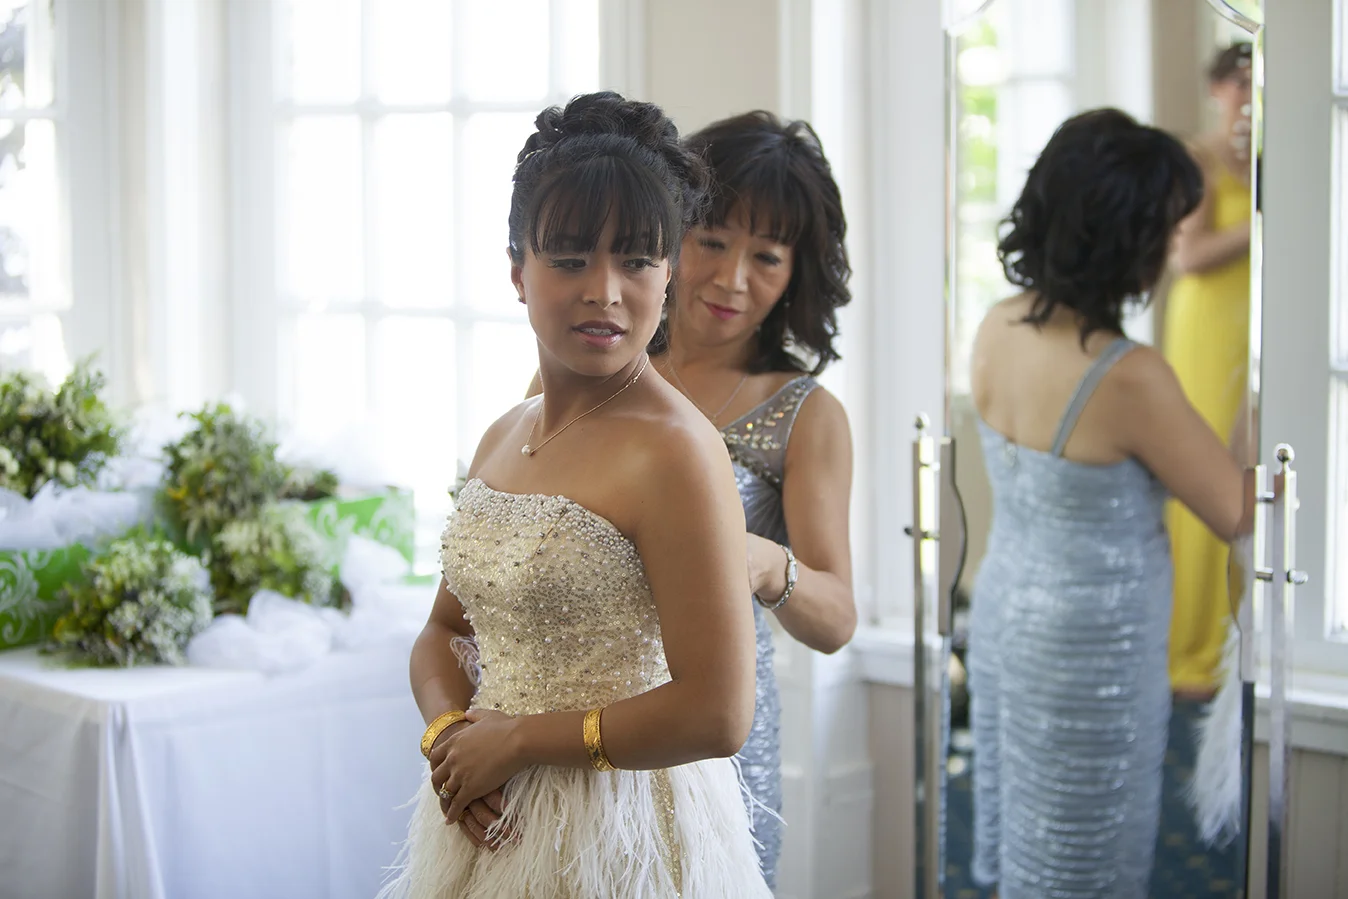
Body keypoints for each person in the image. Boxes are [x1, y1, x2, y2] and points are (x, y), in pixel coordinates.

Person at [379, 91, 772, 899]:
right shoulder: (504, 432)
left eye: (636, 260)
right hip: (486, 811)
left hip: (617, 831)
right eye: (569, 259)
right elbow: (442, 631)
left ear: (667, 274)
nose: (605, 290)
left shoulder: (677, 450)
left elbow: (720, 710)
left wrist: (520, 740)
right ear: (518, 271)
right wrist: (450, 733)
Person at [526, 109, 856, 887]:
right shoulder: (587, 359)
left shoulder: (804, 412)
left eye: (767, 257)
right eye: (711, 242)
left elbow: (839, 617)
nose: (732, 279)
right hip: (565, 726)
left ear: (796, 273)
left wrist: (764, 562)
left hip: (713, 739)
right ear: (669, 236)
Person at [965, 108, 1253, 899]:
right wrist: (1255, 401)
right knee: (1086, 855)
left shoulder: (998, 325)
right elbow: (1237, 510)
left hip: (1004, 617)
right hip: (1089, 652)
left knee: (1027, 837)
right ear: (1127, 235)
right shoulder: (1128, 376)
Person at [1164, 41, 1256, 697]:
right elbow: (1186, 255)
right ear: (1218, 88)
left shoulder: (1271, 157)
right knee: (1206, 473)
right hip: (1207, 327)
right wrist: (1263, 222)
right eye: (1240, 83)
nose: (1249, 95)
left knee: (1253, 475)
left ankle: (1237, 635)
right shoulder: (1199, 157)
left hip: (1254, 324)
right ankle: (1191, 652)